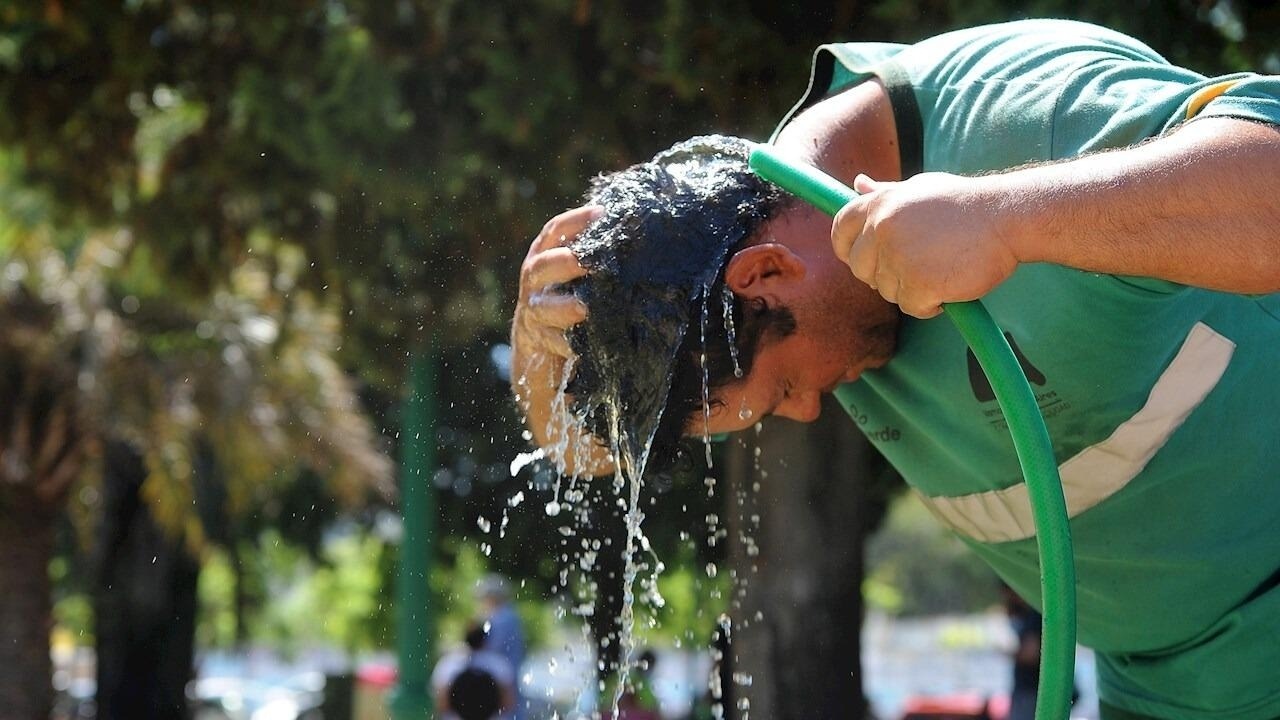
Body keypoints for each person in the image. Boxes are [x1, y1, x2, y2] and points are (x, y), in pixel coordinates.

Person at [510, 18, 1280, 720]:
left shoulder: (1011, 107)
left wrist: (1006, 218)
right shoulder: (744, 293)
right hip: (1166, 686)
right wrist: (536, 334)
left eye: (782, 390)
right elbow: (583, 450)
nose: (810, 412)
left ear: (768, 273)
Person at [431, 622, 516, 720]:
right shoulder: (499, 665)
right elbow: (508, 703)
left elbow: (441, 704)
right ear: (485, 639)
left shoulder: (448, 664)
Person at [475, 574, 528, 719]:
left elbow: (491, 647)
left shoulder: (501, 618)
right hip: (509, 673)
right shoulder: (511, 616)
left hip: (502, 676)